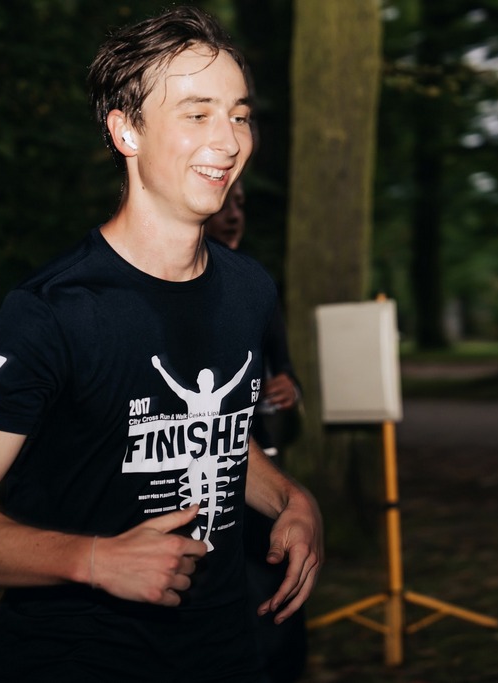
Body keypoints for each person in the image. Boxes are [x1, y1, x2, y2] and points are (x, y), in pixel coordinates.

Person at [0, 7, 323, 682]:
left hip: (225, 651)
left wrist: (290, 500)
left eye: (240, 115)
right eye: (197, 114)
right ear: (126, 130)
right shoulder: (53, 310)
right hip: (80, 658)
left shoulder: (249, 290)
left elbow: (210, 434)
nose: (228, 140)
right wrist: (93, 559)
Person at [205, 181, 307, 683]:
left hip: (261, 464)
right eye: (224, 202)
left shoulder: (256, 286)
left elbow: (282, 372)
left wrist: (292, 390)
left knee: (273, 589)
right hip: (201, 472)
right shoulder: (172, 288)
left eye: (241, 203)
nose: (234, 214)